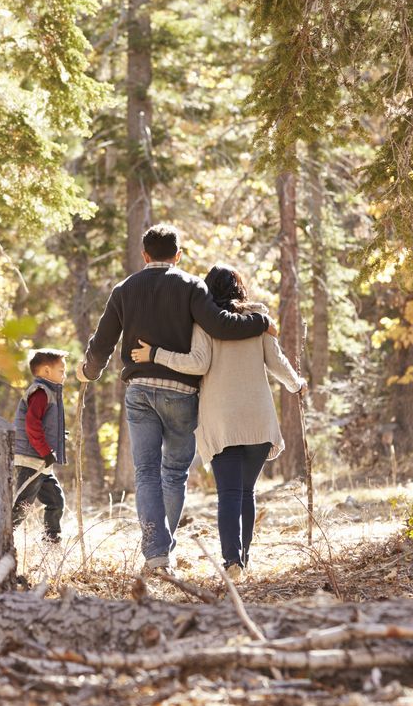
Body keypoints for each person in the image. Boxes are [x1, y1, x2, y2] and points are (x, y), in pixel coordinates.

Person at [78, 225, 273, 572]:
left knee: (146, 472)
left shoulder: (125, 289)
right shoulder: (191, 286)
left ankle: (157, 554)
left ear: (144, 255)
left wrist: (88, 371)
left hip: (139, 392)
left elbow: (103, 341)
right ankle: (164, 548)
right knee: (174, 473)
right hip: (182, 393)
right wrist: (261, 322)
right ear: (178, 255)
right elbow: (222, 325)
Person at [131, 264, 305, 580]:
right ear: (240, 288)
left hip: (223, 422)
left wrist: (155, 354)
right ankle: (244, 558)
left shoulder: (204, 323)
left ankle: (232, 562)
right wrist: (297, 384)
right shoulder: (259, 322)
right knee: (247, 492)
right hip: (257, 419)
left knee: (228, 493)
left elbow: (197, 364)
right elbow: (276, 362)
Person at [12, 348, 68, 542]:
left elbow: (45, 425)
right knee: (21, 504)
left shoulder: (51, 393)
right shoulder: (41, 392)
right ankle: (2, 539)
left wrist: (58, 439)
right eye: (61, 371)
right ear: (46, 371)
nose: (65, 375)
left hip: (43, 461)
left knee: (56, 501)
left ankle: (51, 539)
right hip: (31, 459)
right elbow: (32, 425)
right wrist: (45, 451)